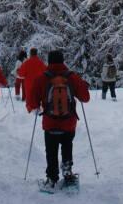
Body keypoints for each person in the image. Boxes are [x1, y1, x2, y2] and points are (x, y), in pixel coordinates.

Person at [28, 50, 90, 192]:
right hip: (69, 123)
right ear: (63, 61)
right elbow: (85, 98)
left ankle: (51, 179)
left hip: (50, 123)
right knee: (67, 146)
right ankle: (68, 174)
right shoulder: (71, 77)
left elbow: (32, 102)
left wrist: (36, 106)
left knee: (51, 150)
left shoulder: (41, 78)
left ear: (49, 62)